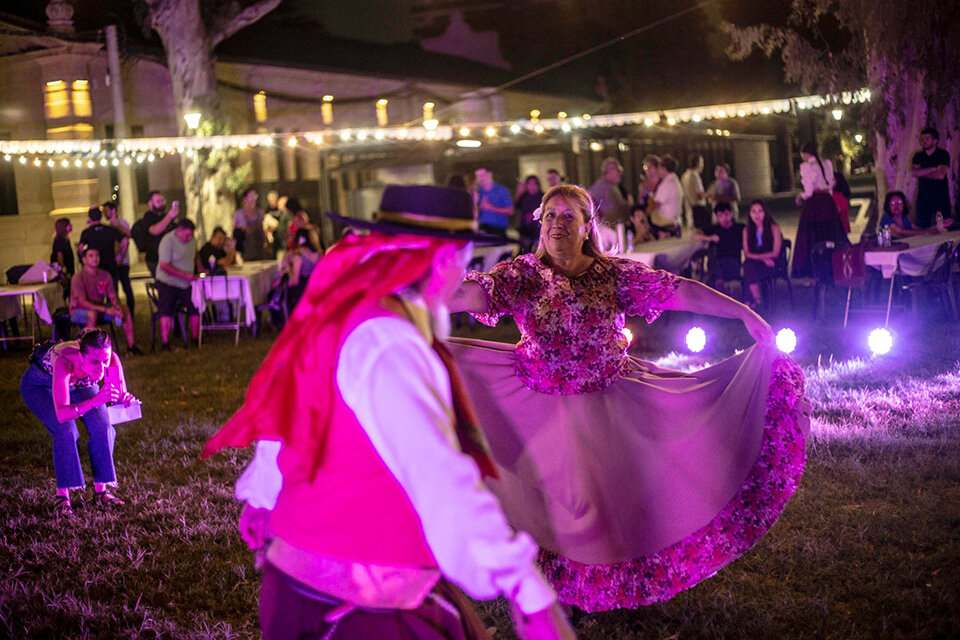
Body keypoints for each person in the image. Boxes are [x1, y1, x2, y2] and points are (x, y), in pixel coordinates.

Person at [202, 184, 576, 640]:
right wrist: (528, 592)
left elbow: (292, 406)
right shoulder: (390, 342)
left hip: (306, 583)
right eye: (465, 258)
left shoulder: (350, 313)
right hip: (355, 602)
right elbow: (440, 477)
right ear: (445, 262)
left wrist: (263, 493)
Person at [446, 184, 809, 612]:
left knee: (607, 503)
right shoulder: (522, 274)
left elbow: (680, 291)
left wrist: (744, 312)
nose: (557, 224)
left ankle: (599, 587)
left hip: (610, 401)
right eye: (550, 216)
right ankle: (559, 593)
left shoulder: (614, 274)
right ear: (539, 227)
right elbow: (476, 293)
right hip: (539, 402)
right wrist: (410, 303)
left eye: (568, 216)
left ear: (587, 227)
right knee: (563, 505)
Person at [20, 328, 137, 515]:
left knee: (103, 426)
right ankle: (63, 496)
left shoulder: (110, 359)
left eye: (105, 361)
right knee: (66, 429)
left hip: (80, 385)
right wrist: (94, 401)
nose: (102, 368)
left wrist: (126, 398)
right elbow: (62, 414)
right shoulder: (64, 361)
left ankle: (102, 491)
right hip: (41, 386)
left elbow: (119, 394)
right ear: (82, 358)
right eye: (95, 362)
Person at [792, 143, 849, 279]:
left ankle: (812, 269)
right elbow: (831, 185)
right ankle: (835, 265)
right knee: (831, 233)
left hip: (815, 204)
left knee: (812, 236)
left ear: (806, 154)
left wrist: (801, 196)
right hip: (827, 203)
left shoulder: (807, 167)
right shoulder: (826, 164)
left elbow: (809, 191)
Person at [70, 247, 141, 355]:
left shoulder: (105, 275)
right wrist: (106, 309)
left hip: (100, 308)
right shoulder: (78, 277)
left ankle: (131, 347)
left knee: (125, 309)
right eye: (91, 255)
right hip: (78, 310)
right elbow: (82, 302)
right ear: (84, 260)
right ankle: (90, 352)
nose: (95, 258)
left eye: (97, 255)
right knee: (92, 314)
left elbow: (112, 295)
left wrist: (116, 306)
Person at [156, 219, 200, 350]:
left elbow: (195, 255)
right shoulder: (167, 241)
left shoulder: (192, 241)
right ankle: (165, 342)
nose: (189, 238)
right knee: (166, 310)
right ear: (179, 231)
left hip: (186, 283)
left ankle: (195, 338)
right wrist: (184, 275)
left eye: (191, 235)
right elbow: (164, 265)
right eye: (186, 235)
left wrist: (200, 268)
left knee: (195, 307)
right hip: (167, 282)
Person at [741, 200, 783, 309]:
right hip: (756, 262)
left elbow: (775, 252)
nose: (757, 215)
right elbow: (747, 253)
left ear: (765, 212)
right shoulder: (747, 230)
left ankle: (751, 304)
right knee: (748, 266)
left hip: (772, 262)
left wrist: (760, 258)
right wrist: (763, 259)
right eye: (753, 211)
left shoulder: (774, 228)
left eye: (760, 211)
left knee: (748, 271)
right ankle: (757, 300)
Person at [695, 201, 744, 292]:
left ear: (731, 214)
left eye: (726, 215)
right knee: (715, 265)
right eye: (720, 216)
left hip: (732, 262)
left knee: (721, 265)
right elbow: (695, 235)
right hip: (716, 264)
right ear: (717, 217)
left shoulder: (739, 228)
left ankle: (721, 290)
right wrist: (710, 238)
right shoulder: (714, 229)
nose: (724, 218)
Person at [911, 127, 951, 229]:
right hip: (923, 198)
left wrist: (922, 172)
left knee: (944, 226)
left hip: (940, 197)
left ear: (935, 141)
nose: (924, 141)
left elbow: (941, 175)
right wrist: (933, 169)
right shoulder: (918, 156)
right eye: (923, 139)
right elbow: (914, 172)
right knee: (923, 227)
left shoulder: (943, 155)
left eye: (927, 138)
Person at [131, 191, 179, 277]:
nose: (161, 203)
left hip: (170, 258)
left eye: (162, 200)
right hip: (155, 259)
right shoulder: (148, 217)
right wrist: (169, 216)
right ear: (150, 203)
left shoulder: (165, 216)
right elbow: (155, 230)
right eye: (158, 201)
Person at [102, 201, 135, 317]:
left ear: (113, 210)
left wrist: (120, 255)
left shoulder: (121, 223)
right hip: (112, 263)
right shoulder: (108, 226)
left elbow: (129, 236)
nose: (104, 213)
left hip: (122, 263)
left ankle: (130, 313)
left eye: (106, 211)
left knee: (126, 288)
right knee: (113, 289)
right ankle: (115, 313)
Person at [78, 205, 125, 287]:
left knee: (97, 293)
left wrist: (84, 261)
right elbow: (125, 241)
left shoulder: (87, 232)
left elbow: (80, 248)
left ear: (90, 217)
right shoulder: (109, 229)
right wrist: (120, 255)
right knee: (112, 291)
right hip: (111, 265)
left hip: (95, 266)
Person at [280, 228, 321, 313]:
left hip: (302, 293)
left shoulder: (298, 256)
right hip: (316, 289)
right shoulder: (318, 253)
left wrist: (289, 266)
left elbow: (295, 281)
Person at [587, 157, 630, 227]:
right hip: (608, 229)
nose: (620, 173)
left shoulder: (603, 186)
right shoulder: (605, 188)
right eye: (618, 170)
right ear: (610, 171)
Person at [233, 187, 271, 261]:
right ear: (245, 199)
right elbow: (235, 230)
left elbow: (263, 228)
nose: (254, 198)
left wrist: (266, 243)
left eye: (255, 195)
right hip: (245, 248)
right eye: (251, 196)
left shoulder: (260, 212)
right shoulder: (239, 214)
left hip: (259, 247)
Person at [475, 166, 514, 236]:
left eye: (482, 175)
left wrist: (491, 208)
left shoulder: (502, 190)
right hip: (482, 229)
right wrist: (479, 206)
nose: (480, 179)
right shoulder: (478, 191)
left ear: (489, 174)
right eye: (478, 176)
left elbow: (510, 211)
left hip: (498, 230)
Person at [649, 155, 684, 232]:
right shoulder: (676, 181)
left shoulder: (666, 183)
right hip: (676, 218)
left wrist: (650, 193)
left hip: (666, 219)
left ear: (663, 169)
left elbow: (655, 203)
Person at [516, 175, 545, 253]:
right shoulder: (524, 197)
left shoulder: (542, 197)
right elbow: (516, 206)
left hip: (537, 231)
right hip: (525, 230)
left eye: (534, 184)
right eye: (529, 184)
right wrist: (519, 191)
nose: (532, 187)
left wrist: (534, 215)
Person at [681, 153, 711, 230]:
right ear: (698, 163)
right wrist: (710, 192)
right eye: (702, 162)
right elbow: (700, 196)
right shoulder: (694, 175)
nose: (703, 165)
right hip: (698, 210)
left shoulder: (685, 175)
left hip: (689, 210)